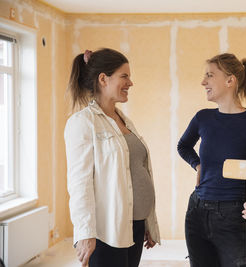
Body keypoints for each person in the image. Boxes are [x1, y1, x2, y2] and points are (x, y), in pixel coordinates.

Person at [64, 48, 160, 267]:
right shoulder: (82, 123)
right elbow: (80, 184)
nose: (130, 83)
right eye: (124, 76)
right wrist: (85, 233)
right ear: (103, 79)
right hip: (105, 231)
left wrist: (147, 222)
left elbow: (135, 170)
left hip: (133, 225)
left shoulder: (123, 120)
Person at [177, 53, 246, 267]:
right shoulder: (203, 118)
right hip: (197, 212)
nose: (203, 82)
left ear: (230, 81)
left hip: (235, 216)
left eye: (210, 75)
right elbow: (182, 146)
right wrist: (198, 164)